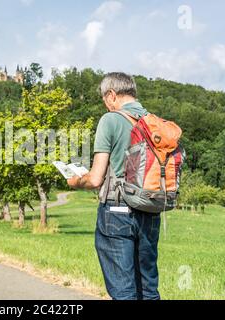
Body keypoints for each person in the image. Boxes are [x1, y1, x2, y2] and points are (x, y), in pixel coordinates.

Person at [67, 72, 161, 300]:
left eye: (103, 99)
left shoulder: (110, 120)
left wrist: (75, 181)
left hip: (117, 213)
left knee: (123, 292)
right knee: (148, 290)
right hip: (150, 212)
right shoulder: (154, 121)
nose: (106, 105)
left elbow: (96, 179)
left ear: (111, 95)